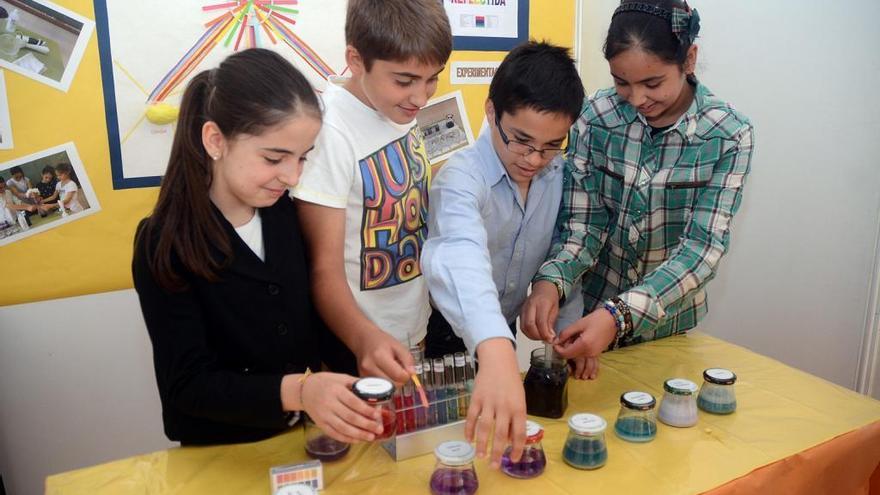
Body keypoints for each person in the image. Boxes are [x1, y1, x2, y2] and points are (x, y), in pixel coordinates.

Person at [132, 49, 382, 445]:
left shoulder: (283, 214)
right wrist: (299, 392)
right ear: (216, 140)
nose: (292, 175)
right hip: (221, 451)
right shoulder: (164, 242)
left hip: (302, 440)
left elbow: (308, 320)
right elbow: (188, 386)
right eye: (274, 158)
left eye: (303, 158)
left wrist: (362, 358)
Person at [521, 0, 755, 379]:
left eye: (653, 83)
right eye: (621, 82)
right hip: (587, 318)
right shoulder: (595, 117)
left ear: (689, 59)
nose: (637, 99)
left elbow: (701, 249)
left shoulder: (727, 134)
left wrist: (621, 316)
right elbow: (583, 224)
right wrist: (552, 280)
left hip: (669, 328)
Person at [421, 41, 584, 468]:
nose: (534, 159)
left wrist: (568, 332)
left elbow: (567, 244)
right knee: (453, 447)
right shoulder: (460, 179)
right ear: (492, 112)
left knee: (505, 443)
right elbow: (462, 256)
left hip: (502, 328)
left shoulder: (556, 173)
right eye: (522, 141)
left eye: (552, 145)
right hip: (448, 334)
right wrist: (494, 351)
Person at [292, 0, 451, 384]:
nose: (421, 96)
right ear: (356, 59)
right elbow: (322, 270)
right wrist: (365, 340)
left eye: (433, 78)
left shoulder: (400, 113)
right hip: (353, 341)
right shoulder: (331, 131)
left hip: (411, 329)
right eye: (404, 80)